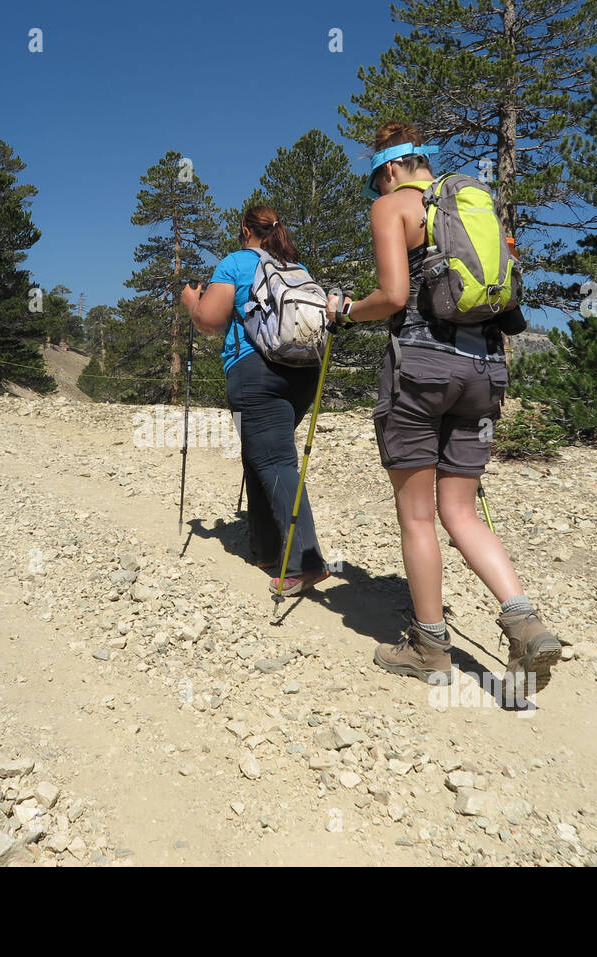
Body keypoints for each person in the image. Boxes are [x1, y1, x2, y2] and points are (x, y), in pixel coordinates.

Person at [330, 121, 563, 692]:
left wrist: (343, 311)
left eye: (374, 182)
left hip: (422, 371)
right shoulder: (471, 199)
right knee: (460, 511)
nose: (376, 193)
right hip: (485, 370)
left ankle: (429, 646)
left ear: (388, 170)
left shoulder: (393, 207)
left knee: (417, 515)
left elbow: (390, 295)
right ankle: (523, 620)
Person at [181, 206, 330, 596]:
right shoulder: (295, 268)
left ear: (245, 229)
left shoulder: (235, 263)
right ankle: (266, 549)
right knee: (261, 453)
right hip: (304, 374)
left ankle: (306, 562)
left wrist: (191, 303)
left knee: (273, 459)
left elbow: (211, 321)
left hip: (255, 370)